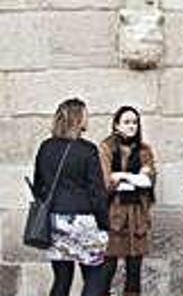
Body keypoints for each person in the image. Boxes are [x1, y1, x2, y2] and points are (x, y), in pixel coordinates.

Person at [32, 98, 109, 296]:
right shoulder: (87, 149)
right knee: (95, 275)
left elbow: (39, 185)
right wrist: (105, 224)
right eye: (85, 114)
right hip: (82, 220)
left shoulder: (46, 147)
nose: (88, 118)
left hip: (55, 220)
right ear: (78, 118)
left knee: (62, 278)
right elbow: (97, 192)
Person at [98, 106, 157, 296]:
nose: (132, 126)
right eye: (127, 122)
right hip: (113, 217)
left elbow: (148, 180)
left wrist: (122, 177)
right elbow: (106, 181)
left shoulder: (144, 149)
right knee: (106, 271)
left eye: (135, 122)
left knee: (134, 274)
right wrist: (132, 177)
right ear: (116, 125)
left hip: (137, 217)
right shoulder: (106, 147)